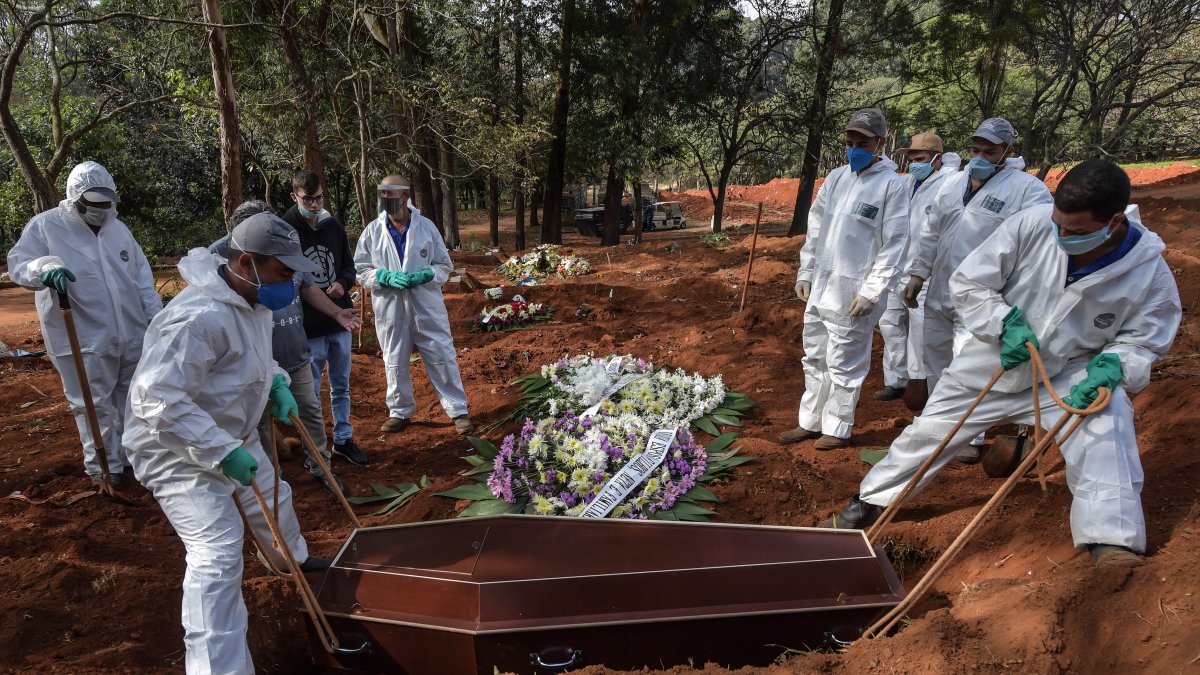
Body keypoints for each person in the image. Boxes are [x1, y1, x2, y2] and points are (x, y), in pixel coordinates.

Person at [821, 160, 1181, 569]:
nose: (1061, 237)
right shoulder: (1031, 224)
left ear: (1114, 221)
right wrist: (1002, 322)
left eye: (1076, 232)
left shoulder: (1147, 271)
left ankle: (1111, 539)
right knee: (931, 432)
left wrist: (1114, 365)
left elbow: (1144, 338)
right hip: (992, 360)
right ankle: (869, 503)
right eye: (1057, 224)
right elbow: (970, 282)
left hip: (1067, 374)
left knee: (1107, 420)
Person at [124, 212, 331, 674]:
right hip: (174, 449)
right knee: (217, 554)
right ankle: (218, 666)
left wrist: (276, 382)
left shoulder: (252, 302)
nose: (291, 282)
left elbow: (248, 362)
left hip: (227, 430)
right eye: (283, 272)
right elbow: (155, 400)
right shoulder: (197, 319)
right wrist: (219, 451)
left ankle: (290, 559)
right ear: (245, 263)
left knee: (273, 499)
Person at [7, 161, 161, 487]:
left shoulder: (119, 229)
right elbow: (20, 265)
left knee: (131, 399)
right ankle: (104, 469)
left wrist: (156, 323)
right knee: (92, 404)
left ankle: (133, 459)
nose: (103, 209)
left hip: (131, 332)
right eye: (95, 203)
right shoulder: (46, 226)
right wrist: (44, 268)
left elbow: (141, 280)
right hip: (81, 335)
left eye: (107, 202)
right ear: (76, 198)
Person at [210, 200, 361, 494]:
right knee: (260, 423)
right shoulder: (218, 270)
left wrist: (336, 312)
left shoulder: (283, 253)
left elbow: (308, 287)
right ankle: (269, 480)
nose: (287, 277)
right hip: (255, 363)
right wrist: (219, 450)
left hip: (294, 356)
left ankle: (321, 466)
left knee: (310, 412)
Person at [780, 108, 910, 450]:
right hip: (821, 290)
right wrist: (805, 271)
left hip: (854, 295)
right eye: (850, 142)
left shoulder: (891, 187)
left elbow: (895, 244)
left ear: (880, 143)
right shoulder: (836, 179)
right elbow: (817, 228)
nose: (855, 148)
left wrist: (872, 291)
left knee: (845, 363)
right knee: (815, 356)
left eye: (862, 143)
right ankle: (810, 422)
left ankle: (837, 428)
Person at [354, 175, 474, 434]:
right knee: (394, 360)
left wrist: (426, 275)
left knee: (441, 355)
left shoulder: (426, 227)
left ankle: (457, 410)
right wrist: (382, 276)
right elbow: (361, 270)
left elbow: (444, 264)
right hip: (390, 307)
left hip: (426, 305)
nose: (387, 202)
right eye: (383, 197)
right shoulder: (373, 231)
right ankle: (399, 411)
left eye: (393, 197)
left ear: (407, 197)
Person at [281, 171, 367, 465]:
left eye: (319, 198)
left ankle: (343, 439)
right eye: (309, 200)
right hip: (307, 325)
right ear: (295, 197)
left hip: (339, 318)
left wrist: (343, 283)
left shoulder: (333, 226)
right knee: (311, 390)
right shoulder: (285, 230)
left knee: (341, 383)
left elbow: (348, 266)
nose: (316, 205)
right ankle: (315, 449)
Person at [875, 134, 961, 402]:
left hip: (925, 273)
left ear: (937, 160)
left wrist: (923, 271)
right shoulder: (907, 182)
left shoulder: (948, 184)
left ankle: (920, 381)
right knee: (890, 323)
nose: (914, 164)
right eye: (911, 159)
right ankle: (896, 379)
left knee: (921, 329)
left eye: (920, 159)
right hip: (896, 267)